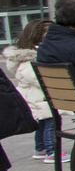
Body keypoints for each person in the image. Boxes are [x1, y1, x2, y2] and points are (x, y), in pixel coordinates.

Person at [5, 20, 55, 162]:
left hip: (34, 98)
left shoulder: (26, 58)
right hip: (40, 99)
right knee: (50, 123)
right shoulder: (30, 61)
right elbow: (38, 79)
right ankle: (52, 151)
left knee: (41, 124)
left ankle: (40, 148)